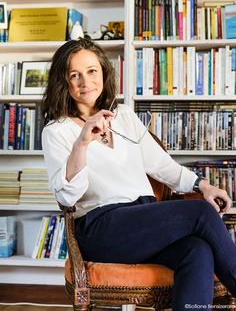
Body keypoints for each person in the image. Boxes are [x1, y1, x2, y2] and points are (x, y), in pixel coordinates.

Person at [41, 37, 236, 311]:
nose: (86, 81)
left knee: (197, 251)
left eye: (92, 71)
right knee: (201, 213)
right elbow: (68, 195)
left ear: (103, 73)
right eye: (75, 75)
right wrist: (82, 142)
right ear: (64, 82)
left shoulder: (124, 116)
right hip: (102, 227)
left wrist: (203, 185)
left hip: (144, 224)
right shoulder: (57, 131)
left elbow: (162, 165)